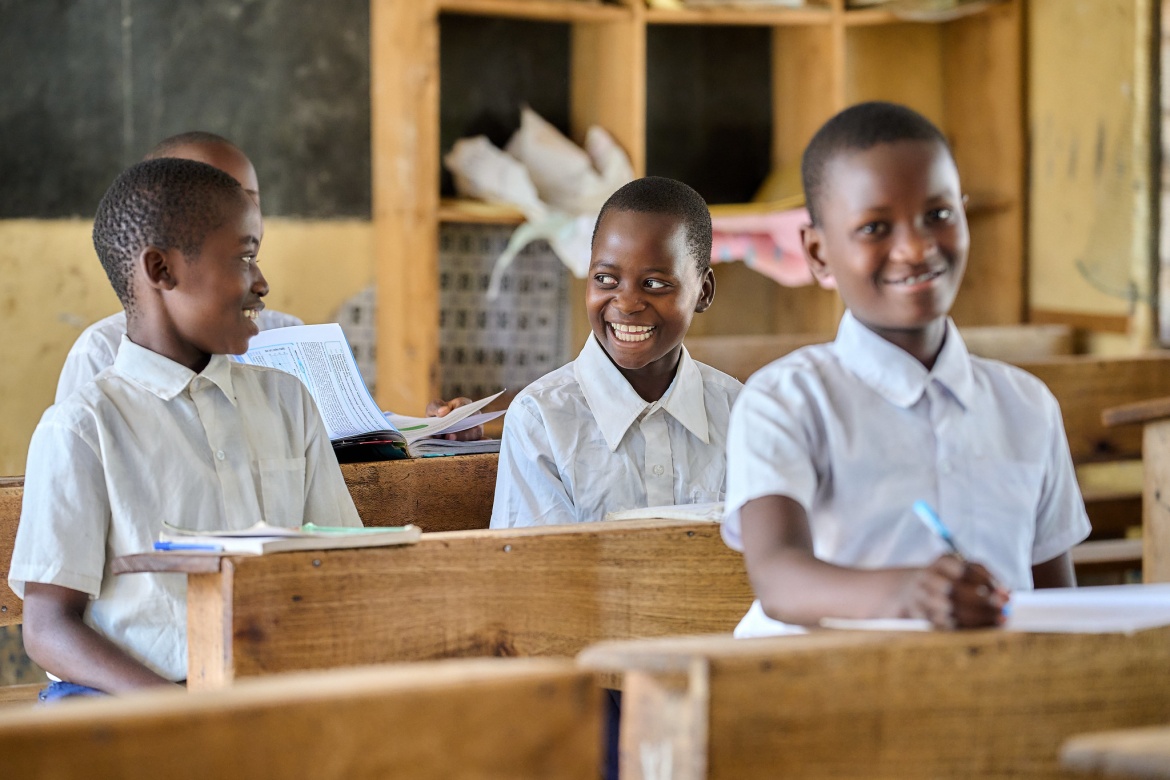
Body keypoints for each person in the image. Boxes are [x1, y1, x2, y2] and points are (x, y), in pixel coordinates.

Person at [723, 102, 1091, 636]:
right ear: (819, 253)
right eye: (875, 227)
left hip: (984, 695)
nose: (916, 248)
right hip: (823, 695)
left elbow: (1056, 606)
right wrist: (906, 593)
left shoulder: (1026, 405)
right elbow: (778, 579)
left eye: (938, 215)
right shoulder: (787, 400)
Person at [10, 158, 362, 700]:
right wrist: (179, 711)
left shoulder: (286, 402)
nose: (262, 282)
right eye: (244, 258)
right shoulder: (83, 428)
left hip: (268, 687)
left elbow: (345, 566)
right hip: (126, 698)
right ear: (161, 270)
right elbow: (49, 628)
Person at [490, 176, 742, 528]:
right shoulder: (542, 422)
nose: (626, 303)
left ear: (703, 291)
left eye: (654, 284)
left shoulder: (742, 416)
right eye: (606, 280)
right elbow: (538, 574)